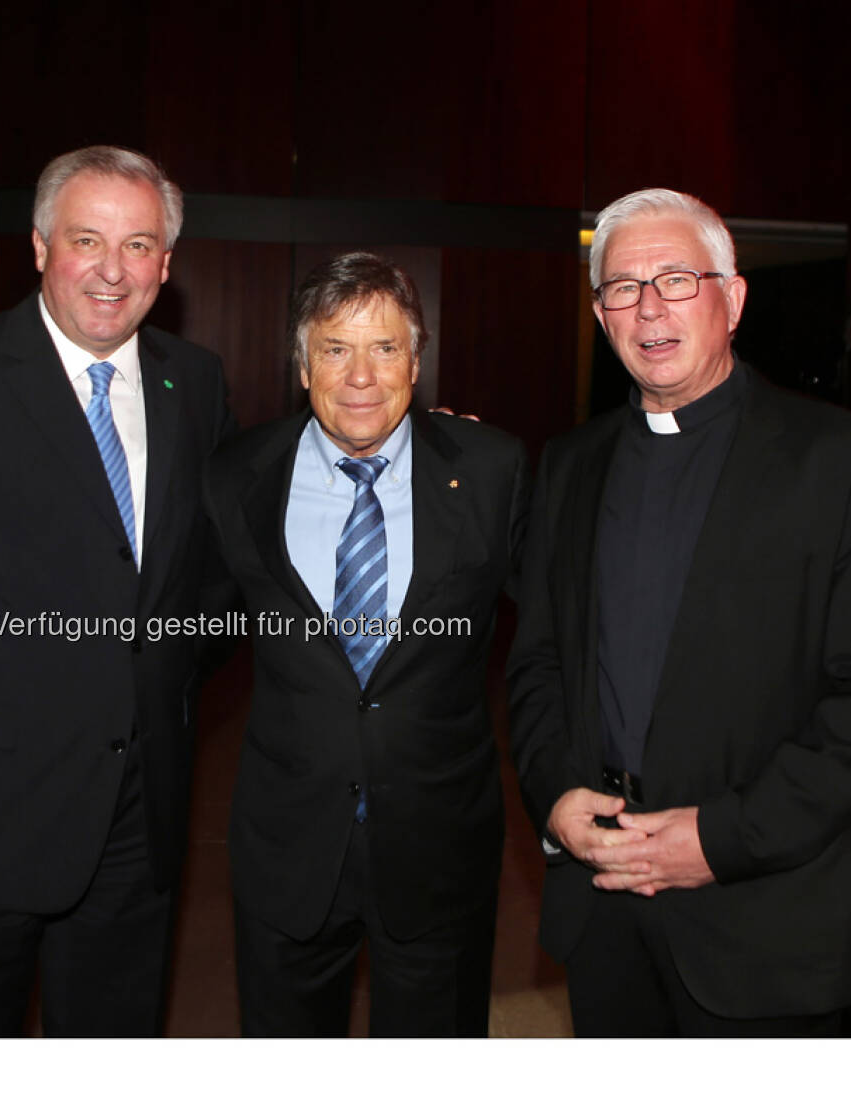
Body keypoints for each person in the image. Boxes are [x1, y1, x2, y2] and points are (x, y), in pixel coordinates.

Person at [507, 188, 851, 1036]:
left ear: (732, 298)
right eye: (623, 286)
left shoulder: (842, 461)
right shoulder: (569, 465)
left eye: (676, 279)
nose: (649, 306)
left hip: (763, 915)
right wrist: (552, 794)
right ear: (600, 312)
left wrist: (721, 841)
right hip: (604, 908)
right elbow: (538, 659)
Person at [0, 145, 232, 1036]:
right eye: (87, 239)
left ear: (167, 261)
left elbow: (221, 563)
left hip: (137, 820)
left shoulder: (193, 383)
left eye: (139, 244)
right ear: (39, 247)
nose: (113, 270)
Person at [202, 253, 528, 1036]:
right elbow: (187, 633)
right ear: (301, 364)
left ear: (417, 361)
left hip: (438, 849)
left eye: (384, 348)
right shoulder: (237, 475)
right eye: (335, 348)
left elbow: (551, 637)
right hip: (287, 850)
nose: (360, 376)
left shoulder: (490, 469)